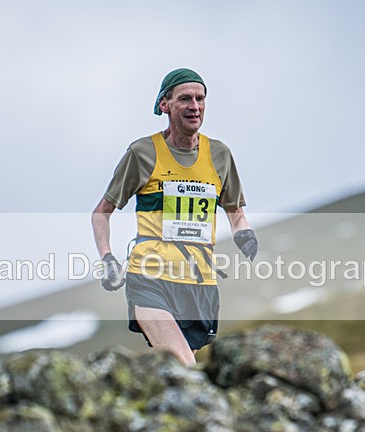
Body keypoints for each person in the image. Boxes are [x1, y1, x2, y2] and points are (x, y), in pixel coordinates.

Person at [91, 68, 257, 366]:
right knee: (184, 362)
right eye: (185, 99)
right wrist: (108, 259)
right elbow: (101, 213)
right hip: (149, 277)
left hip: (199, 283)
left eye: (200, 99)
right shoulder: (142, 152)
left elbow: (237, 214)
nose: (195, 106)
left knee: (182, 371)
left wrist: (244, 232)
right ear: (165, 105)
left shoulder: (219, 154)